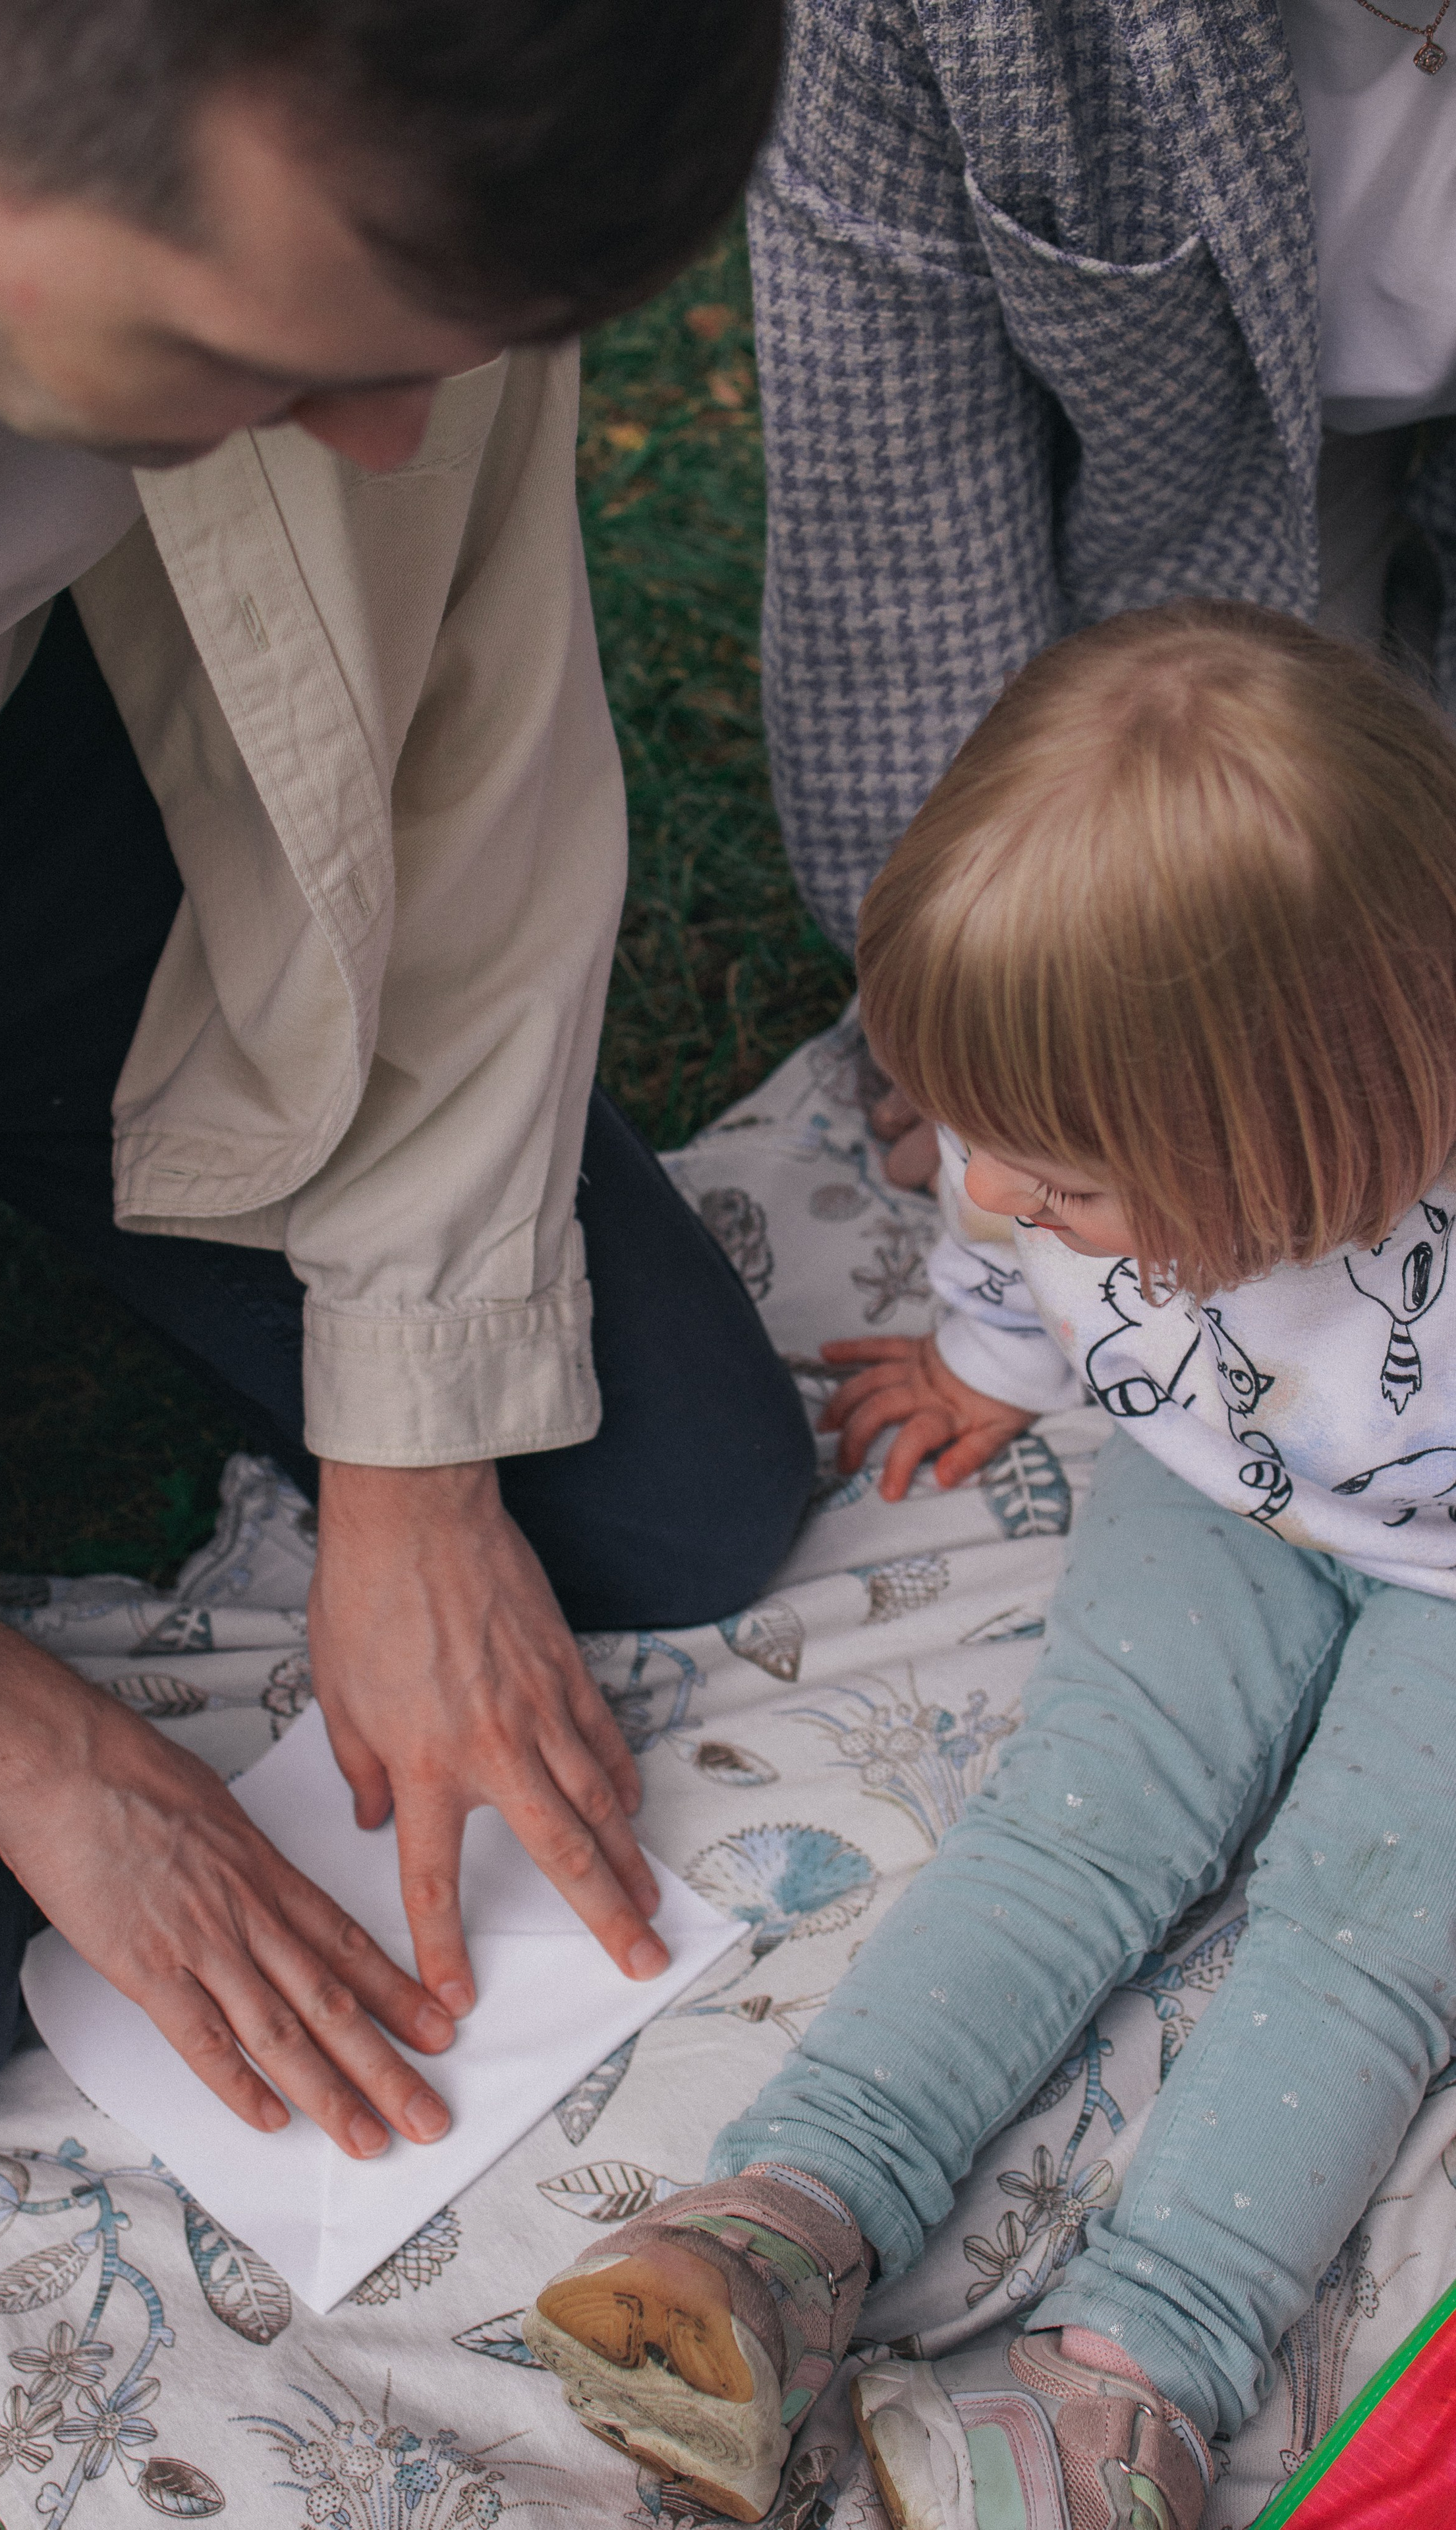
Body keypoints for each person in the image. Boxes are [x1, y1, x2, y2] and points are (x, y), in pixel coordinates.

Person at [0, 0, 812, 2176]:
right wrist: (12, 1739)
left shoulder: (385, 111)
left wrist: (417, 1459)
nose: (381, 438)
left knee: (669, 1487)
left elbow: (462, 726)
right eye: (258, 356)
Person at [522, 601, 1456, 2527]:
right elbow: (997, 1237)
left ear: (1316, 1135)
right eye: (982, 1134)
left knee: (1361, 1939)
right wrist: (982, 1359)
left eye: (1067, 1176)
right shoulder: (1042, 1133)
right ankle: (793, 2218)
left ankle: (1131, 2379)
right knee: (1070, 1831)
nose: (999, 1186)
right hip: (1213, 1486)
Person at [748, 0, 1456, 1191]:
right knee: (1247, 898)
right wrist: (994, 1006)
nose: (995, 1194)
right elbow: (895, 508)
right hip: (1205, 471)